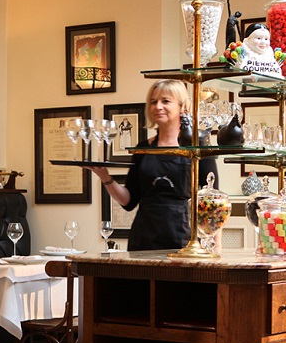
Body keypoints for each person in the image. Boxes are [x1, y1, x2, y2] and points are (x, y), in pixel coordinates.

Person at [88, 80, 218, 251]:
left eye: (165, 101)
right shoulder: (142, 148)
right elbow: (129, 201)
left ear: (182, 107)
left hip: (186, 239)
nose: (158, 106)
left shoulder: (199, 147)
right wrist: (105, 177)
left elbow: (214, 204)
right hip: (144, 239)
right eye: (153, 101)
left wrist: (216, 248)